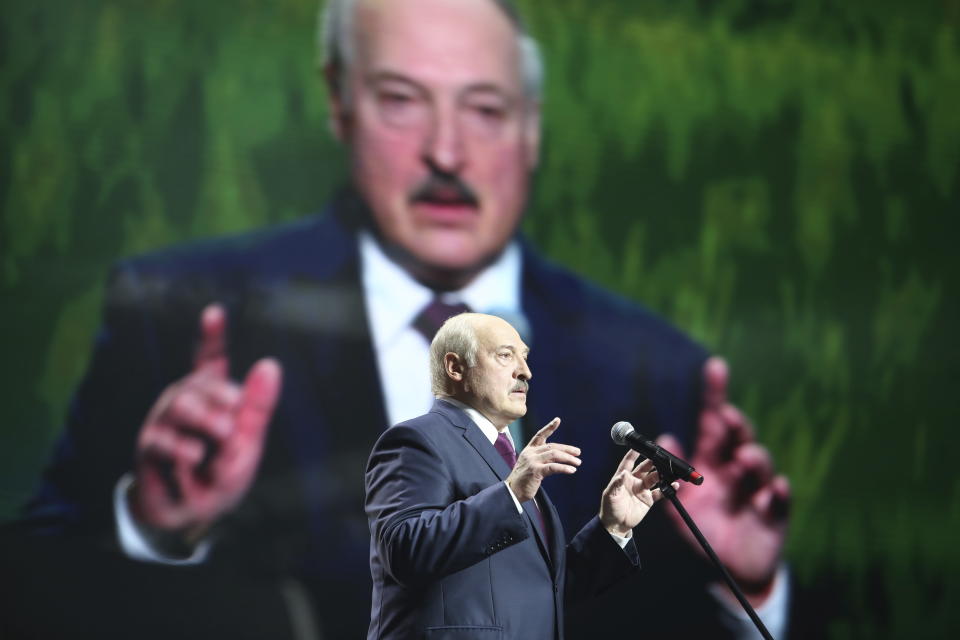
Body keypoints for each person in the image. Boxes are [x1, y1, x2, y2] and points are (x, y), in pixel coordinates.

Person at [7, 0, 791, 637]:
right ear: (339, 104)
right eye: (402, 101)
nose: (446, 151)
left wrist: (720, 569)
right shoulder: (177, 315)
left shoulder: (658, 370)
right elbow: (411, 551)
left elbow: (550, 593)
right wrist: (149, 526)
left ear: (531, 128)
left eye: (484, 108)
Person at [366, 312, 672, 639]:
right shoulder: (417, 440)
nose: (525, 371)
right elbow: (404, 550)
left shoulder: (509, 458)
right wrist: (510, 493)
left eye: (524, 357)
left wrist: (612, 527)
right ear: (455, 368)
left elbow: (544, 589)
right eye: (505, 355)